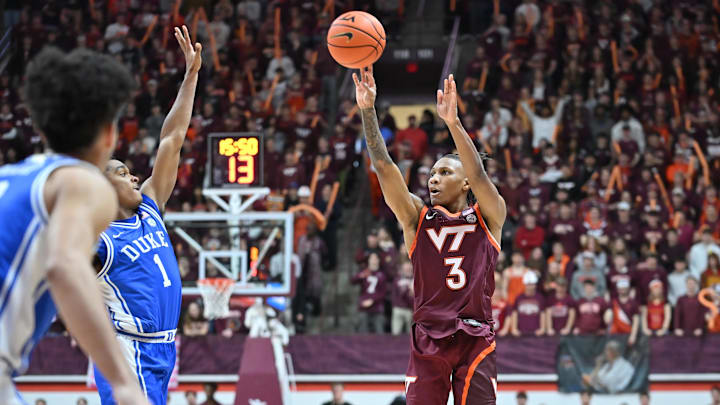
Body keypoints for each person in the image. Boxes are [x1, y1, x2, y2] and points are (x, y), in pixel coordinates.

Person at [0, 47, 147, 405]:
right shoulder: (82, 182)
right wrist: (123, 383)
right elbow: (64, 266)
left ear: (39, 126)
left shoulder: (8, 178)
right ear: (110, 133)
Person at [353, 69, 505, 404]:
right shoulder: (416, 217)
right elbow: (384, 166)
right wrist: (367, 111)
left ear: (466, 184)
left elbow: (479, 174)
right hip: (427, 339)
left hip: (475, 336)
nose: (433, 179)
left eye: (445, 172)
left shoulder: (489, 216)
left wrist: (453, 123)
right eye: (431, 173)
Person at [93, 26, 201, 405]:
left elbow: (172, 138)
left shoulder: (151, 206)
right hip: (128, 351)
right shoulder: (101, 242)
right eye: (122, 173)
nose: (135, 176)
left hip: (162, 349)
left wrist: (190, 77)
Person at [351, 252, 388, 333]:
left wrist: (372, 300)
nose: (374, 261)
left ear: (378, 260)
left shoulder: (382, 275)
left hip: (378, 307)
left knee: (379, 331)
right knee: (363, 331)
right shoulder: (364, 272)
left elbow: (383, 293)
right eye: (372, 258)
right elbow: (352, 281)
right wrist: (361, 275)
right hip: (364, 308)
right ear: (368, 261)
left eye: (375, 258)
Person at [508, 272, 545, 336]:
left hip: (536, 333)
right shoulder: (519, 297)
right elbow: (515, 313)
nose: (530, 286)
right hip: (521, 333)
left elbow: (543, 313)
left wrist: (542, 328)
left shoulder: (540, 298)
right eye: (528, 284)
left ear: (535, 285)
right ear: (525, 285)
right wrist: (514, 328)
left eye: (532, 284)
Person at [609, 279, 640, 345]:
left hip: (628, 333)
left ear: (628, 289)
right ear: (618, 289)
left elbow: (636, 320)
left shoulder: (633, 303)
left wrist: (633, 335)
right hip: (615, 334)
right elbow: (608, 317)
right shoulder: (613, 302)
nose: (623, 290)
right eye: (621, 288)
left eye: (624, 288)